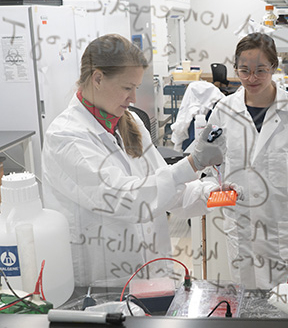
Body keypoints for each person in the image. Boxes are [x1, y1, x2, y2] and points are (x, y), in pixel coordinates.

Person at [42, 34, 231, 287]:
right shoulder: (66, 136)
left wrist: (215, 193)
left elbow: (167, 191)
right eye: (126, 87)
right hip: (103, 284)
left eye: (136, 88)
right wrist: (192, 163)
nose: (133, 98)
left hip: (151, 273)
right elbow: (124, 199)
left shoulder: (129, 121)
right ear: (97, 78)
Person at [207, 32, 288, 289]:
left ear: (274, 67)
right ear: (235, 68)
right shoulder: (223, 111)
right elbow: (213, 163)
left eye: (260, 70)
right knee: (246, 298)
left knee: (286, 301)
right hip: (241, 223)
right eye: (244, 70)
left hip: (281, 226)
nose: (251, 78)